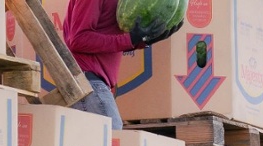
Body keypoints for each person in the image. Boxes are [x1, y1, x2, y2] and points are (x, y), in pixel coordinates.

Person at [62, 0, 183, 128]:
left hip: (94, 83)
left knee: (112, 142)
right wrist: (130, 39)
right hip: (87, 83)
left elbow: (110, 40)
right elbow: (78, 40)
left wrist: (144, 40)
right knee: (114, 141)